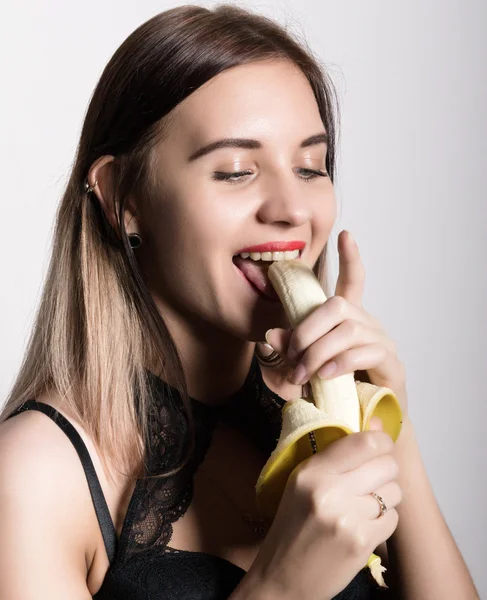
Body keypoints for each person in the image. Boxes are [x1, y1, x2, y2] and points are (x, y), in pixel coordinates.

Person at [0, 4, 479, 600]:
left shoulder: (318, 421)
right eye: (234, 171)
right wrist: (281, 587)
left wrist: (385, 425)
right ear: (123, 197)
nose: (292, 209)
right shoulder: (33, 476)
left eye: (311, 167)